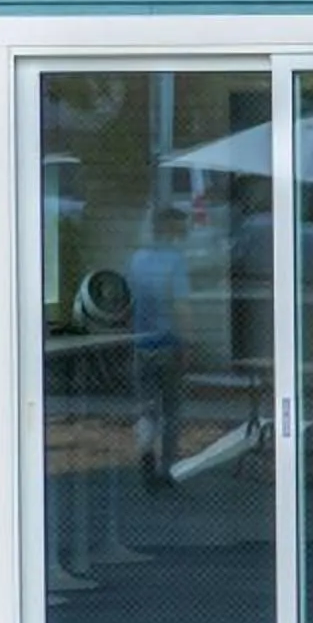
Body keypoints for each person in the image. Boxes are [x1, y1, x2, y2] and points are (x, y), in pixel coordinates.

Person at [128, 208, 194, 488]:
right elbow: (181, 307)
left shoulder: (137, 260)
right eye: (180, 227)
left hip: (140, 344)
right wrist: (188, 341)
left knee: (147, 410)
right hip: (168, 345)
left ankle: (145, 451)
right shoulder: (175, 261)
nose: (184, 232)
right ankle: (167, 468)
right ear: (169, 229)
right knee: (172, 411)